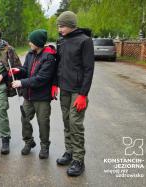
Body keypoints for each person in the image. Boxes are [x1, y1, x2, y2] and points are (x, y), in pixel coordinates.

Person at [54, 11, 95, 177]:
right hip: (64, 89)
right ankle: (69, 152)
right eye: (58, 26)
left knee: (75, 124)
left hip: (78, 91)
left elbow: (88, 69)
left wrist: (83, 94)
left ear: (71, 25)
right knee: (66, 121)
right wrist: (54, 84)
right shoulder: (61, 41)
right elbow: (59, 65)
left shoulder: (85, 41)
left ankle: (79, 160)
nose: (59, 29)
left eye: (62, 26)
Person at [11, 29, 57, 159]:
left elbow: (41, 78)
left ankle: (44, 146)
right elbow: (26, 70)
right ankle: (29, 142)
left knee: (43, 122)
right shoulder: (30, 54)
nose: (29, 43)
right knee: (24, 119)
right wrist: (18, 71)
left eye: (31, 41)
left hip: (42, 97)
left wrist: (21, 83)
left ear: (38, 42)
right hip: (28, 96)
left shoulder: (49, 57)